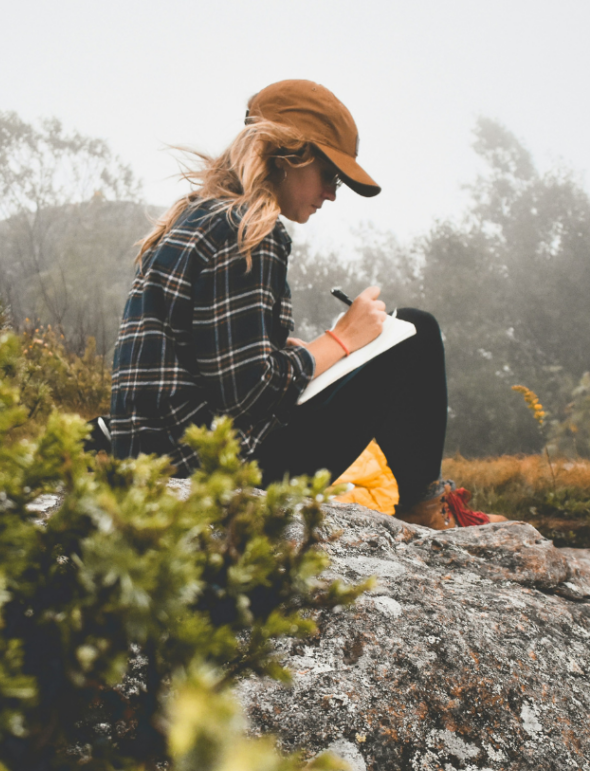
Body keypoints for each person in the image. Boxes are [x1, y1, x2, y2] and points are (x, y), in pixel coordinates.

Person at [110, 79, 504, 530]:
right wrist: (341, 339)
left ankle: (423, 502)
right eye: (329, 175)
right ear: (287, 155)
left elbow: (214, 372)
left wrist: (298, 355)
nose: (332, 193)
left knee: (381, 343)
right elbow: (249, 393)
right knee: (415, 333)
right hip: (213, 472)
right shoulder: (248, 231)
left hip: (163, 462)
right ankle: (424, 507)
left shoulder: (195, 218)